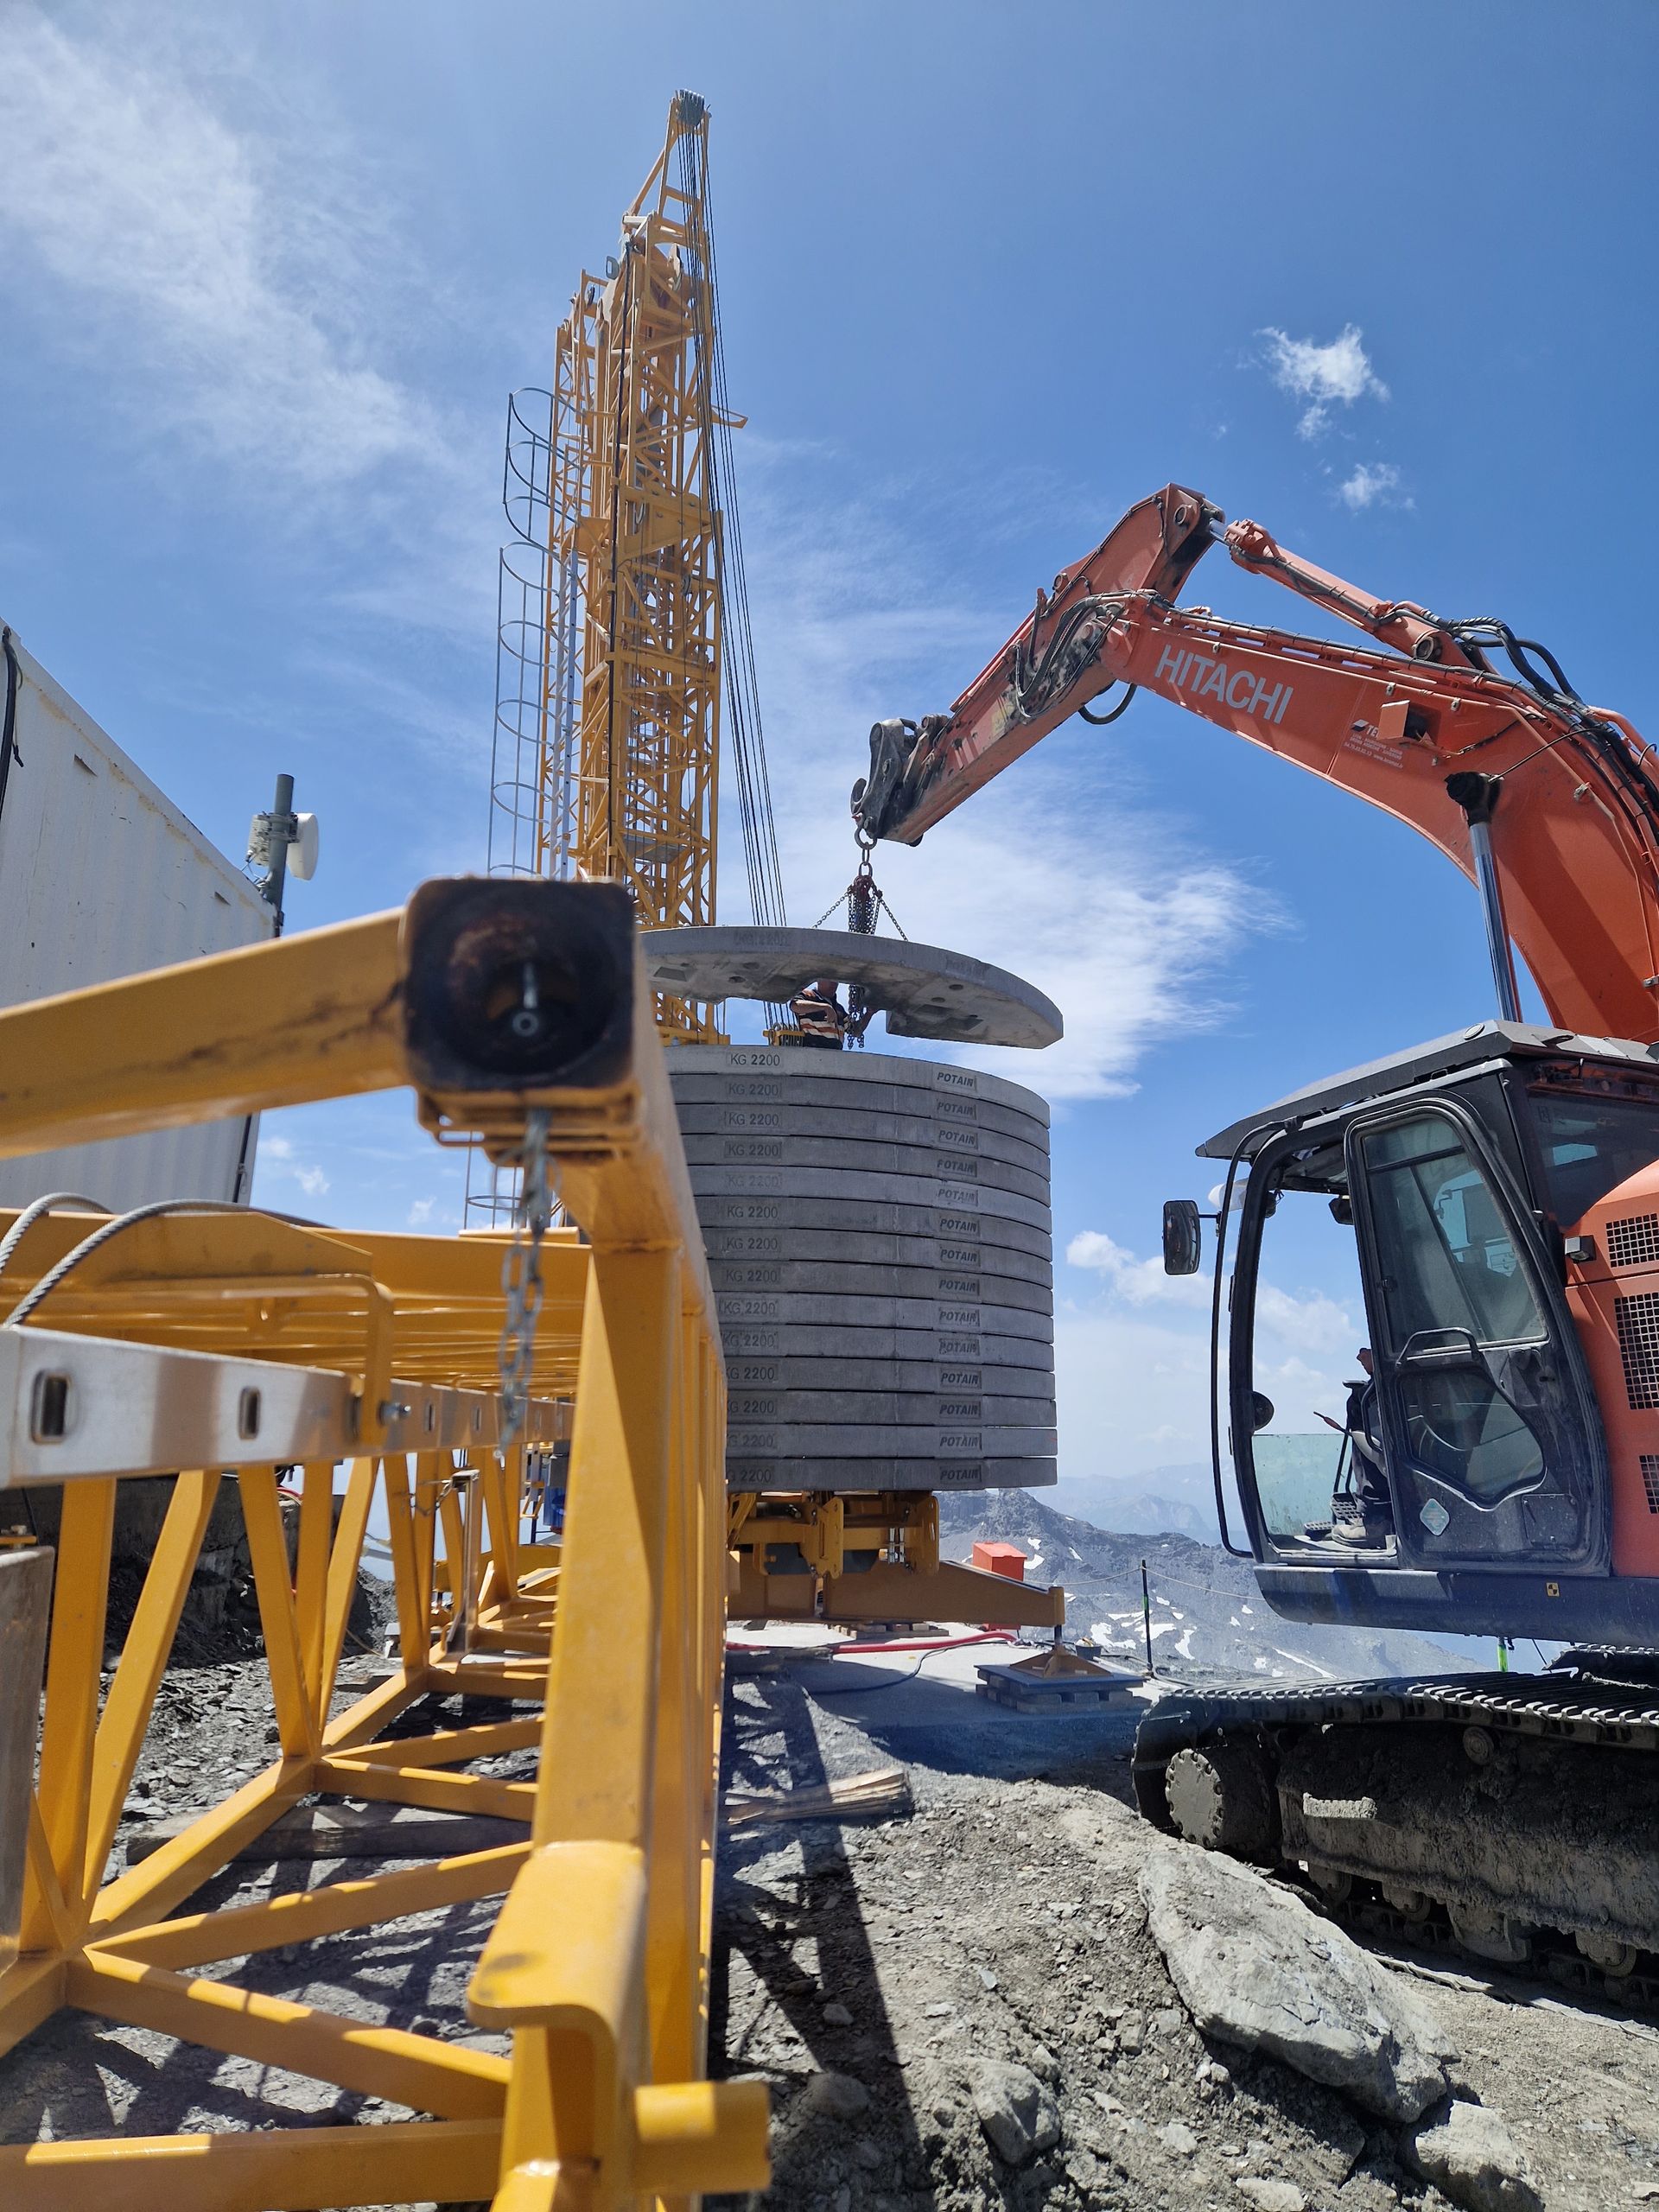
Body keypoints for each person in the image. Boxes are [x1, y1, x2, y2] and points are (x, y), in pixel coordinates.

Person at [790, 977, 848, 1049]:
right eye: (830, 979)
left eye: (836, 980)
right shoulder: (808, 995)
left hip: (835, 1053)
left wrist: (866, 1012)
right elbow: (795, 1006)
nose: (834, 983)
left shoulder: (839, 1008)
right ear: (818, 980)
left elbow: (855, 1031)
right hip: (812, 1049)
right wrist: (825, 1007)